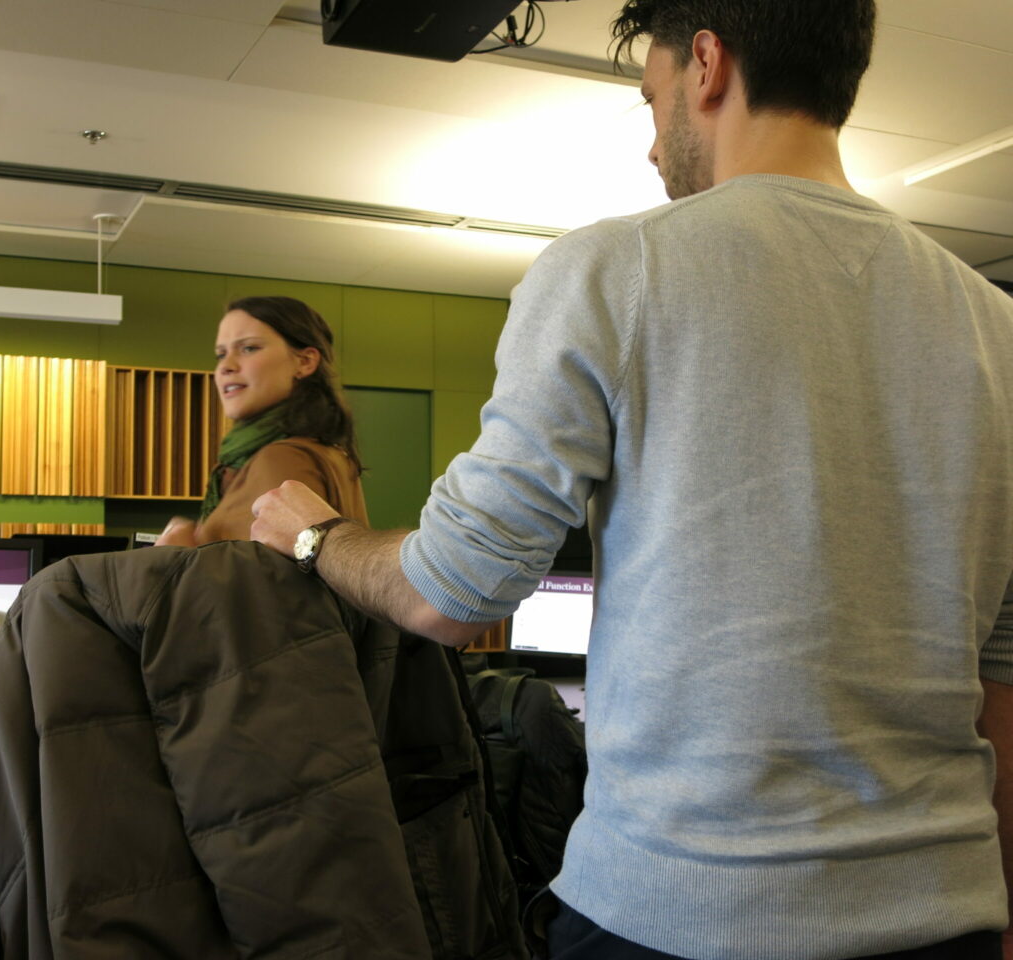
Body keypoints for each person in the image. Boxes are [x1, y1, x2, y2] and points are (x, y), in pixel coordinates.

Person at [250, 2, 1013, 959]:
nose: (654, 148)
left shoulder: (616, 268)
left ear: (707, 66)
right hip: (946, 916)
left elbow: (456, 590)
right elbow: (1001, 670)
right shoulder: (995, 325)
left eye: (651, 103)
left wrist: (318, 535)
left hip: (685, 916)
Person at [155, 295, 367, 548]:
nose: (226, 366)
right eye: (221, 354)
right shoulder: (302, 450)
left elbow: (272, 582)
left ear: (305, 361)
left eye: (249, 348)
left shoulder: (283, 458)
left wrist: (175, 557)